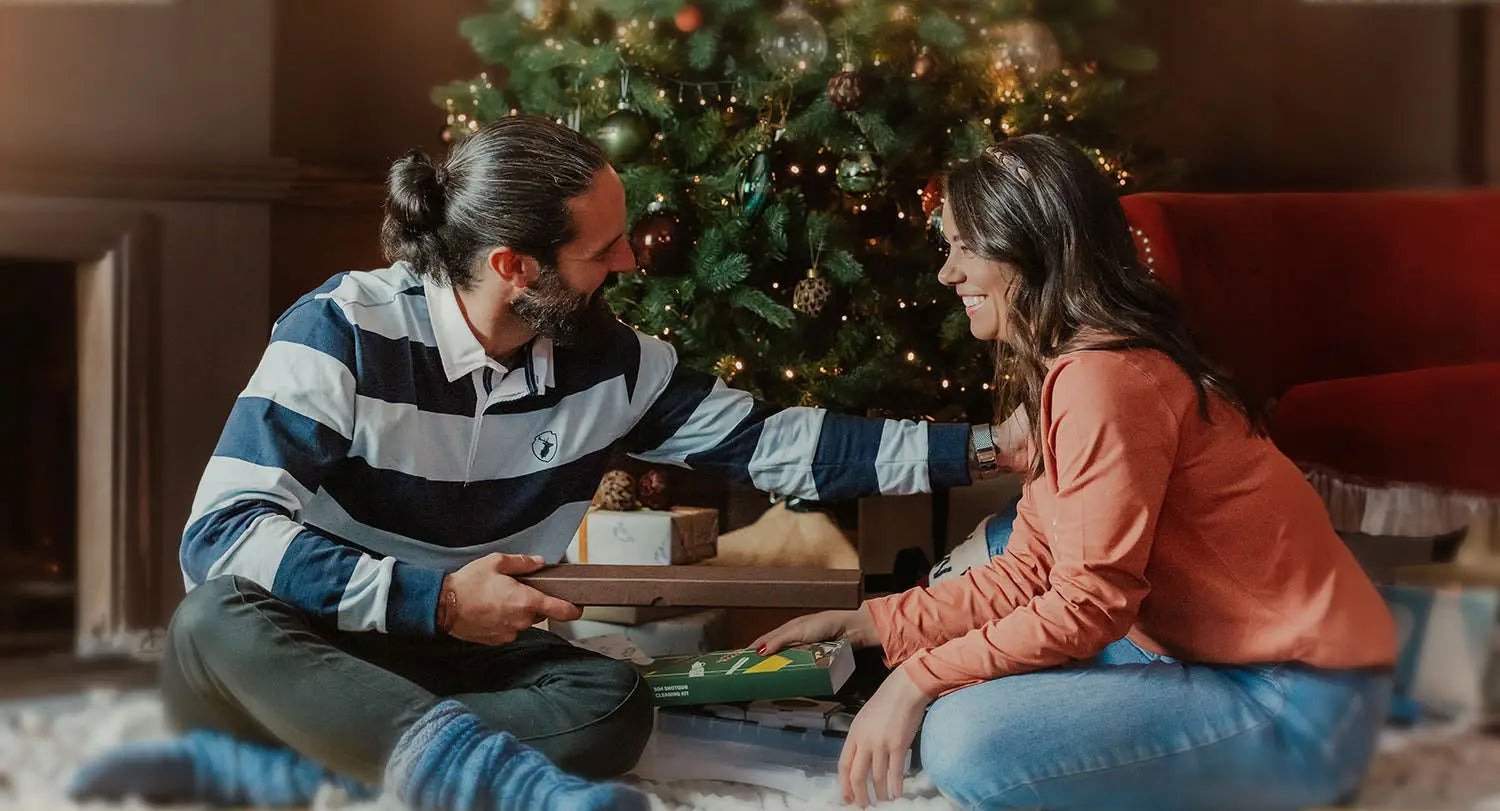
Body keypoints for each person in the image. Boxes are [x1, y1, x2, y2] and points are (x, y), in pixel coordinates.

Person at [67, 116, 1009, 811]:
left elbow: (781, 443)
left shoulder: (615, 362)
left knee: (612, 703)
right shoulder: (345, 330)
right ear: (516, 266)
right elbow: (222, 536)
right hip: (309, 641)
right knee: (214, 619)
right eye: (604, 248)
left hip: (455, 661)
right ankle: (484, 778)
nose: (633, 261)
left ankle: (311, 762)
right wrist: (432, 599)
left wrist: (981, 448)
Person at [752, 134, 1397, 811]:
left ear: (1033, 247)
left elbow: (1090, 601)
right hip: (1217, 653)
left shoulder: (1102, 377)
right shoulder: (1074, 363)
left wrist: (917, 676)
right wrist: (870, 624)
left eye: (967, 247)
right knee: (981, 640)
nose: (948, 274)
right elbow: (1032, 564)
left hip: (1301, 697)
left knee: (963, 738)